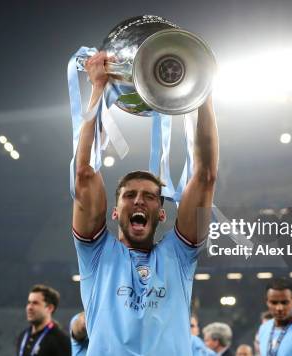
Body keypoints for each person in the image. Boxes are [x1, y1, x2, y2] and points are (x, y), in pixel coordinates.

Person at [72, 51, 219, 355]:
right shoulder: (97, 255)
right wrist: (98, 87)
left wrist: (203, 91)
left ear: (162, 213)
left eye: (150, 196)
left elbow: (204, 176)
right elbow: (84, 172)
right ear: (115, 212)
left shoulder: (178, 255)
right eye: (129, 195)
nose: (139, 200)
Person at [16, 284, 70, 356]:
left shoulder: (60, 340)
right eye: (29, 302)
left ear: (50, 308)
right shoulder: (23, 336)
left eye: (35, 303)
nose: (29, 307)